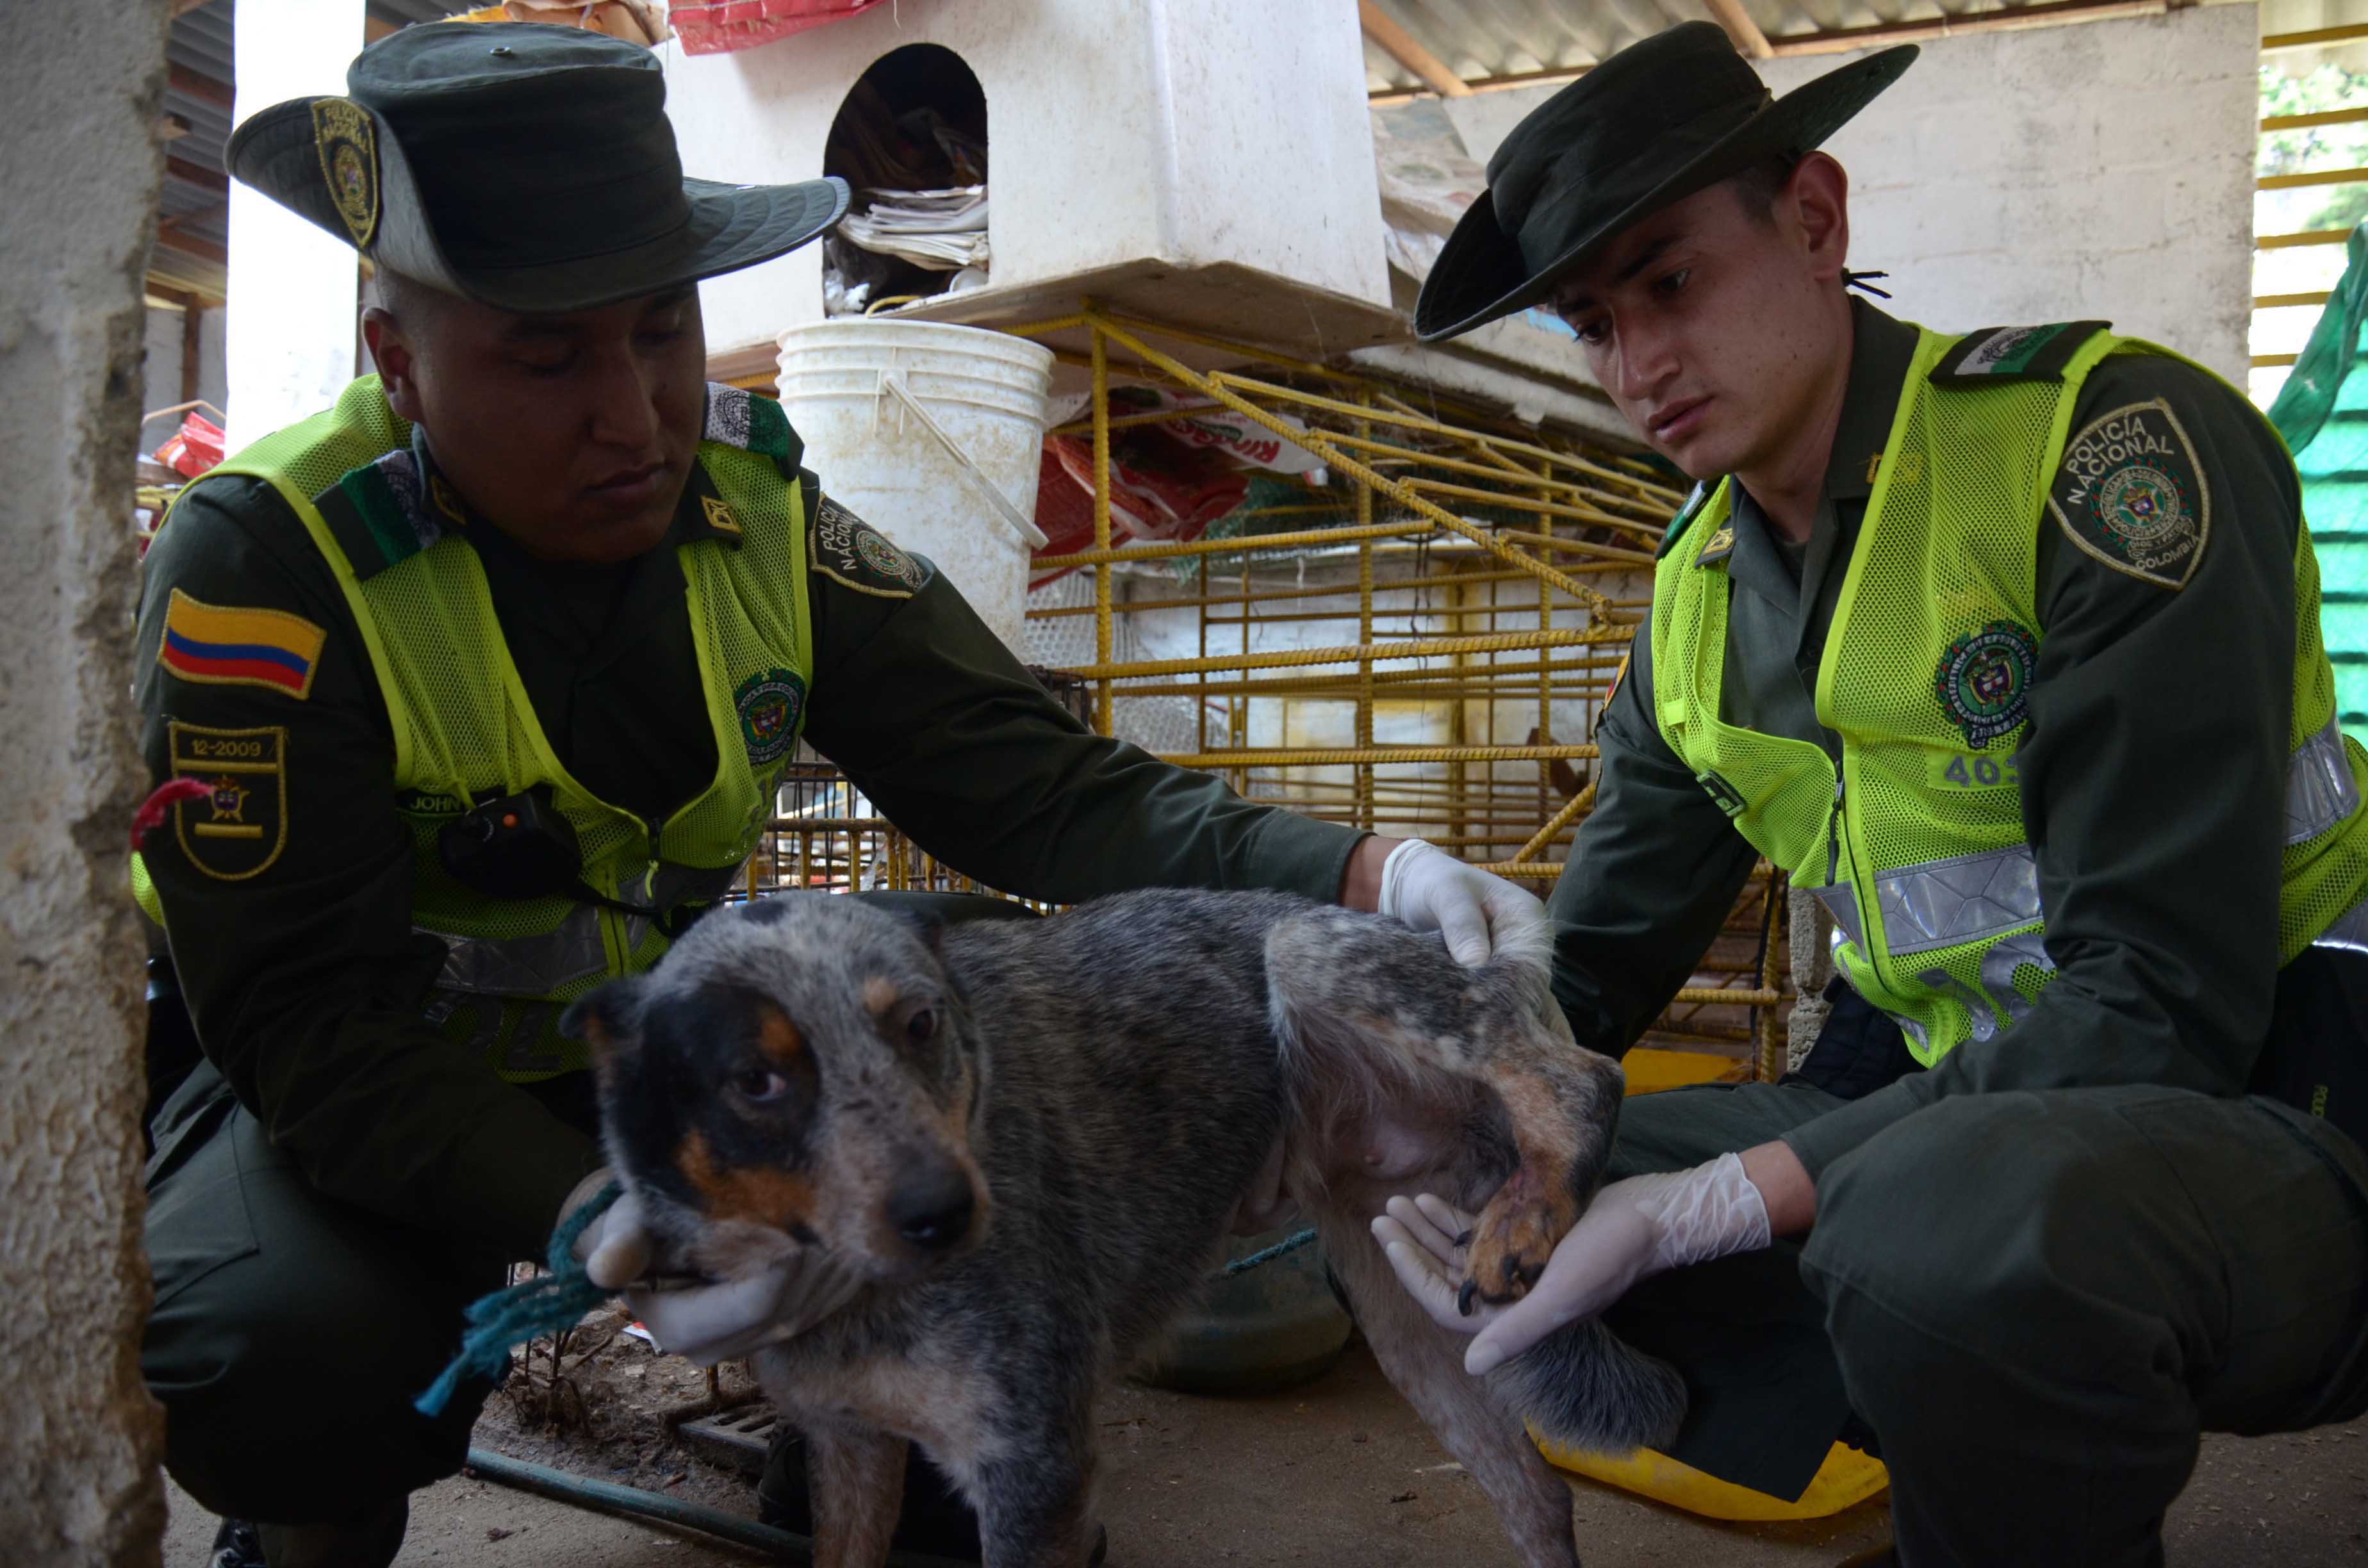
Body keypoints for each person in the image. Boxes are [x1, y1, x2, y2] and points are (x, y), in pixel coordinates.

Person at [135, 24, 1544, 1568]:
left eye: (662, 334)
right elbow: (312, 1032)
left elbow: (1033, 784)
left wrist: (1363, 868)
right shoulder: (271, 567)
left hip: (721, 1079)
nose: (635, 415)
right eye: (547, 359)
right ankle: (298, 1533)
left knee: (959, 1383)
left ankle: (841, 1455)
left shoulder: (762, 521)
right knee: (283, 1352)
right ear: (399, 357)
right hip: (388, 1101)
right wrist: (611, 1222)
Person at [1374, 22, 2368, 1568]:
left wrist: (1725, 1200)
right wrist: (1417, 1074)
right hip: (1956, 1093)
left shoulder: (2097, 456)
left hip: (2281, 1094)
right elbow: (1604, 967)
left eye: (1672, 282)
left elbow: (2161, 994)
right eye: (1591, 321)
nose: (1638, 367)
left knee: (1931, 1232)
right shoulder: (1697, 602)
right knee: (1465, 1167)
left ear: (1818, 221)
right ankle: (1977, 1456)